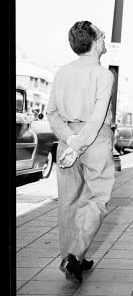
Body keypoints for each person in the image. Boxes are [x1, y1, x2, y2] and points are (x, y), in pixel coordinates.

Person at [47, 21, 115, 282]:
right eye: (101, 34)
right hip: (94, 141)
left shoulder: (62, 72)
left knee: (68, 202)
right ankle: (75, 255)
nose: (105, 37)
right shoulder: (103, 75)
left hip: (67, 141)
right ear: (95, 42)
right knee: (98, 198)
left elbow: (51, 113)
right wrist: (79, 144)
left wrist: (70, 140)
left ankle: (70, 257)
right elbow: (97, 119)